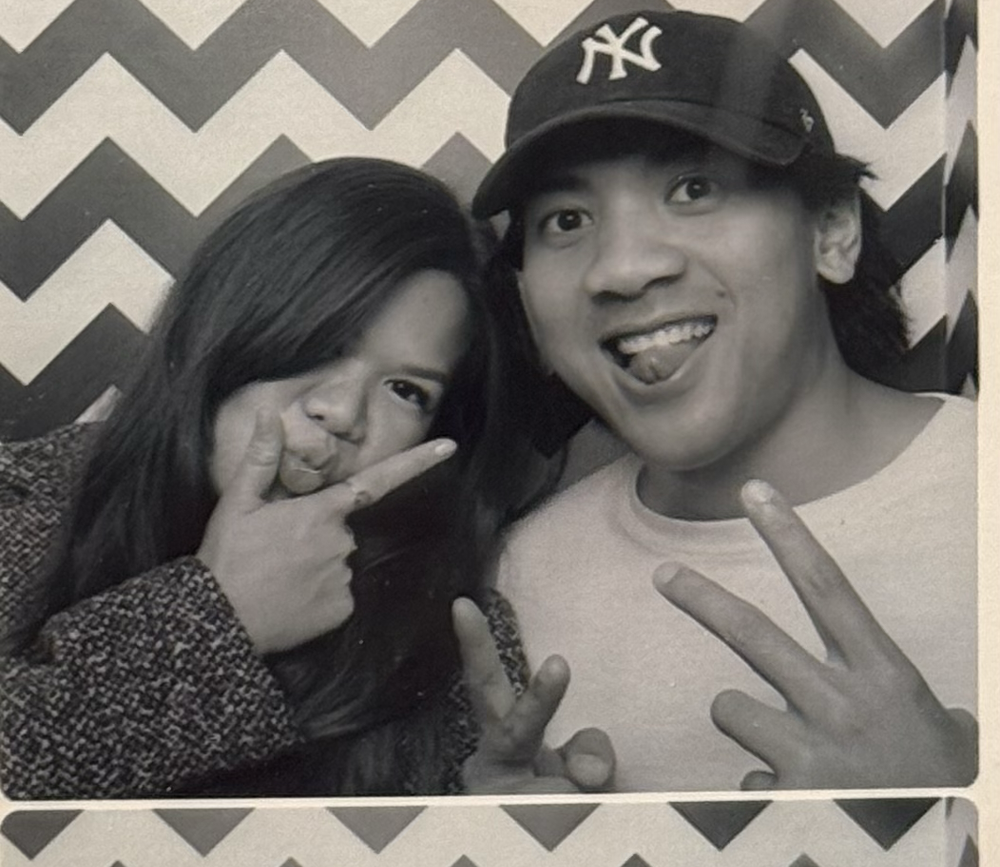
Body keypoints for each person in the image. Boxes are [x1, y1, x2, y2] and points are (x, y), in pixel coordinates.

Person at [466, 8, 976, 792]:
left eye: (694, 187)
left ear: (831, 232)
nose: (624, 268)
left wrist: (956, 800)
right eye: (566, 220)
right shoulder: (517, 578)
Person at [0, 155, 614, 801]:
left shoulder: (453, 636)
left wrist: (491, 820)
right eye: (322, 344)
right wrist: (216, 616)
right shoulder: (16, 503)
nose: (342, 412)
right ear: (224, 321)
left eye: (407, 389)